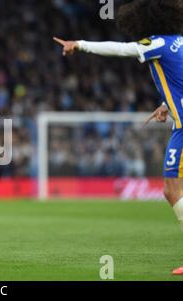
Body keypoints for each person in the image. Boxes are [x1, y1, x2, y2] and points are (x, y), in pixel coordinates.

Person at [54, 0, 183, 275]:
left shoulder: (156, 43)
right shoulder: (180, 42)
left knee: (173, 189)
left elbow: (124, 49)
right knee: (171, 189)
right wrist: (167, 106)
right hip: (179, 124)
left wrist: (80, 44)